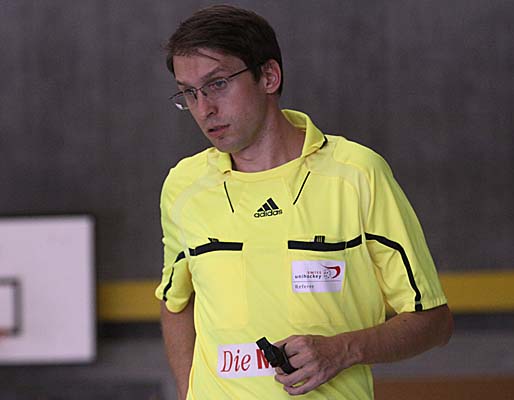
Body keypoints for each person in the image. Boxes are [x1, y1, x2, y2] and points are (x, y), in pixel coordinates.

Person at [155, 5, 453, 399]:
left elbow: (434, 322)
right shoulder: (184, 186)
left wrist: (343, 350)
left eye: (218, 84)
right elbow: (176, 301)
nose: (204, 108)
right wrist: (188, 392)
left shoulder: (357, 176)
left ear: (269, 76)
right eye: (189, 93)